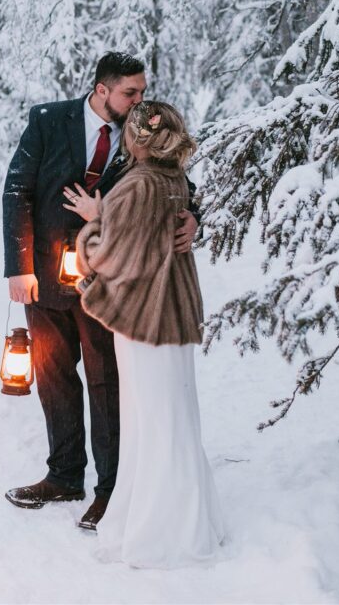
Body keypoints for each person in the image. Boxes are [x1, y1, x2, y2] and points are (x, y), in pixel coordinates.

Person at [2, 53, 199, 530]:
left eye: (142, 90)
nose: (139, 100)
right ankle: (64, 475)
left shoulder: (140, 134)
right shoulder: (48, 120)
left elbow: (179, 185)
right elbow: (17, 191)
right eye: (130, 92)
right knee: (53, 376)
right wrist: (18, 267)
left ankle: (110, 490)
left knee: (106, 381)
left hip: (108, 282)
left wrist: (195, 218)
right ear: (101, 89)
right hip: (45, 277)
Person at [72, 100, 225, 568]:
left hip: (144, 320)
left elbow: (112, 256)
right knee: (174, 417)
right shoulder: (175, 179)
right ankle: (189, 521)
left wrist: (94, 224)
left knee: (151, 422)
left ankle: (159, 533)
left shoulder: (136, 186)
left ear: (138, 139)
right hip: (173, 316)